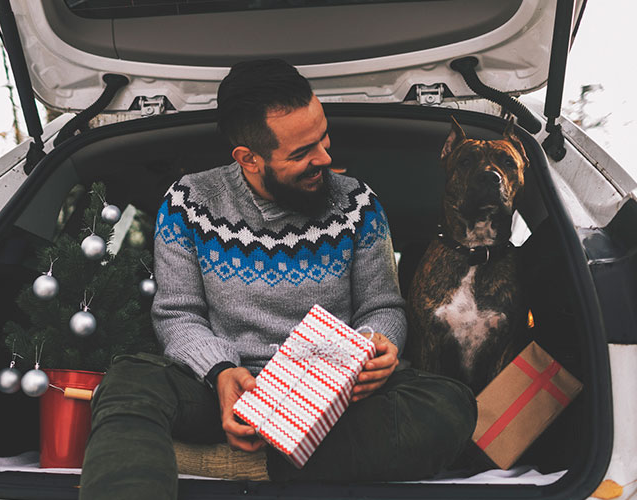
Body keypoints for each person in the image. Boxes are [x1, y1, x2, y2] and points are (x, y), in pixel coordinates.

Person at [79, 59, 476, 499]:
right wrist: (221, 372)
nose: (325, 158)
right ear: (248, 158)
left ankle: (247, 464)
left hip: (333, 401)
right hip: (225, 394)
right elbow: (178, 314)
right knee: (130, 380)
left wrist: (377, 343)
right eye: (302, 152)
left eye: (323, 136)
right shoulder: (188, 202)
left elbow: (383, 306)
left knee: (448, 406)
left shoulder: (359, 203)